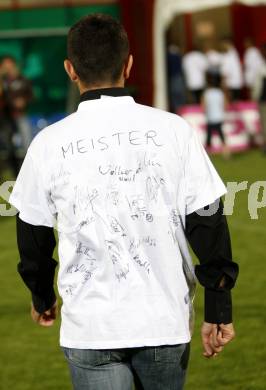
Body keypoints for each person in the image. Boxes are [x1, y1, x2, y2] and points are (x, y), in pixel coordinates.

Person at [9, 14, 239, 390]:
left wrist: (41, 294)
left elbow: (31, 232)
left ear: (70, 70)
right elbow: (208, 219)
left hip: (91, 327)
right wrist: (219, 305)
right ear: (128, 64)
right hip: (163, 320)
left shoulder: (48, 143)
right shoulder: (173, 130)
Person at [202, 73, 230, 159]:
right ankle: (227, 155)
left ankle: (206, 157)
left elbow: (203, 106)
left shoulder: (206, 93)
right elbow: (225, 105)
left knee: (208, 138)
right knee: (222, 137)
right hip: (219, 117)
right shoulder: (220, 93)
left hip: (210, 118)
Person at [252, 43, 266, 154]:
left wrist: (255, 96)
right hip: (262, 100)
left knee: (264, 124)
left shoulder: (262, 67)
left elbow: (258, 86)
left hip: (263, 99)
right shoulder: (261, 66)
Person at [167, 44, 186, 113]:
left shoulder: (170, 57)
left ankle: (177, 109)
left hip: (174, 78)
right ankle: (179, 110)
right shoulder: (177, 57)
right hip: (177, 77)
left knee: (175, 94)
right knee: (179, 94)